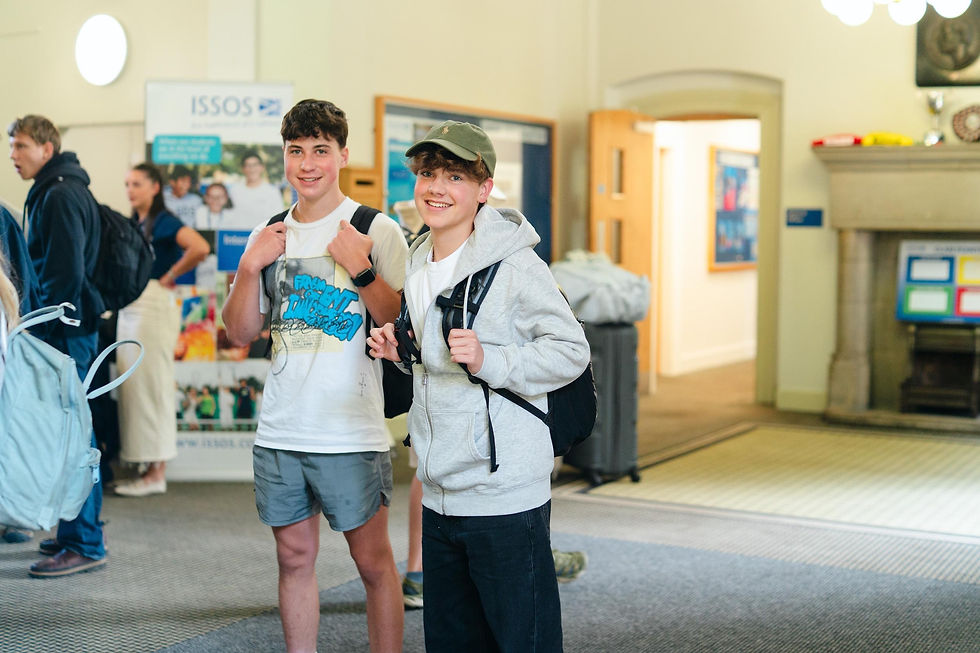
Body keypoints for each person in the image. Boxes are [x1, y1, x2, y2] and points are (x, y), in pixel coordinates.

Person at [368, 120, 591, 653]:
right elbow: (437, 363)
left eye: (454, 177)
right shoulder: (420, 257)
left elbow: (571, 351)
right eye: (427, 174)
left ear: (484, 189)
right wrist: (403, 353)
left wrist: (493, 360)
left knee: (522, 640)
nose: (436, 188)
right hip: (440, 490)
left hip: (504, 493)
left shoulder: (515, 263)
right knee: (452, 642)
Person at [222, 99, 407, 653]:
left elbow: (402, 326)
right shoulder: (268, 232)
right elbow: (239, 331)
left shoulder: (376, 229)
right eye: (296, 151)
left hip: (350, 430)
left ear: (343, 155)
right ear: (284, 156)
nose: (308, 163)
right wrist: (250, 266)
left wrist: (362, 267)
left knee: (372, 565)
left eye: (320, 151)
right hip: (282, 428)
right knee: (294, 559)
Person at [8, 114, 108, 577]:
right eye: (12, 147)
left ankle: (86, 542)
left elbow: (64, 276)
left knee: (74, 434)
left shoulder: (61, 193)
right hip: (67, 330)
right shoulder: (56, 188)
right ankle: (73, 533)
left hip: (66, 332)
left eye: (22, 146)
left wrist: (39, 328)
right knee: (69, 430)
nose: (14, 155)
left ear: (47, 148)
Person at [114, 162, 210, 497]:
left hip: (155, 303)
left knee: (152, 384)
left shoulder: (165, 220)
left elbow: (199, 247)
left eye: (137, 183)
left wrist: (170, 276)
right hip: (134, 304)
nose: (130, 190)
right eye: (127, 183)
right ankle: (145, 465)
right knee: (135, 386)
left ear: (155, 187)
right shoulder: (135, 223)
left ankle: (157, 473)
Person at [227, 151, 285, 227]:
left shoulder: (272, 192)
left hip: (264, 236)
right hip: (237, 237)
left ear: (262, 167)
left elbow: (278, 219)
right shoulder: (234, 191)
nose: (252, 169)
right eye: (248, 165)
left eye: (255, 165)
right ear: (243, 169)